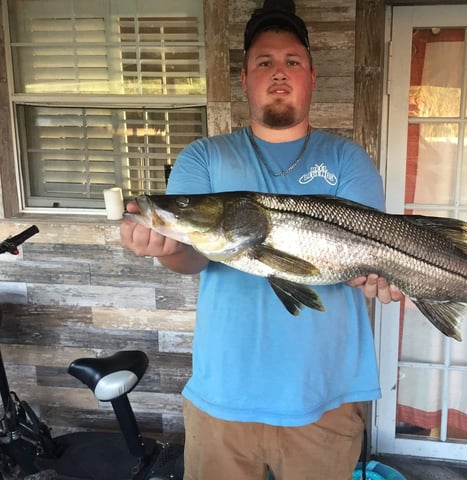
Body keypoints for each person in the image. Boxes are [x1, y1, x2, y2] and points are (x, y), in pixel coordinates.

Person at [120, 0, 401, 478]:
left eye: (292, 61)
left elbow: (373, 255)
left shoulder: (348, 159)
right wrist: (167, 250)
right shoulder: (204, 157)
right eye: (263, 62)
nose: (279, 72)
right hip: (223, 398)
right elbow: (192, 256)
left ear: (311, 76)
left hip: (325, 398)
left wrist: (385, 279)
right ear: (246, 78)